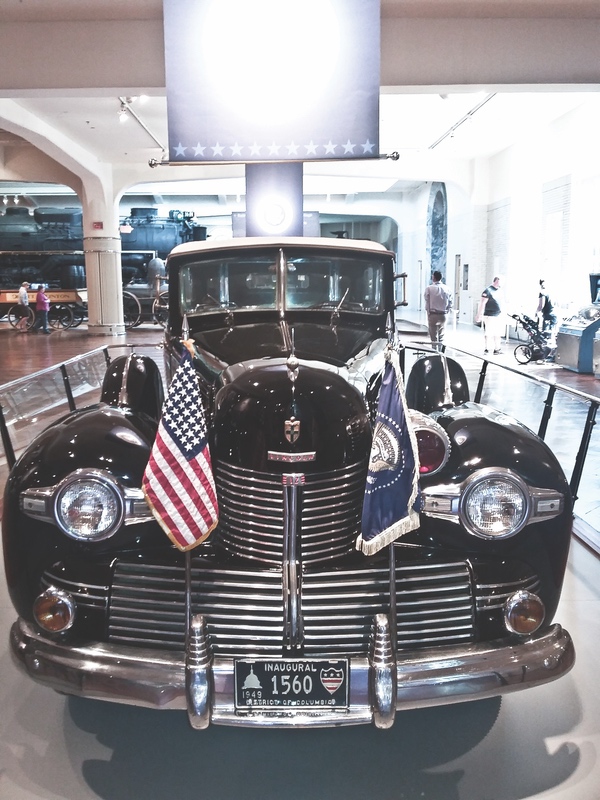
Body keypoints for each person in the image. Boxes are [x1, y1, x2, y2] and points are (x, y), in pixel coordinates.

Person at [424, 270, 453, 350]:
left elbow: (427, 300)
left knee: (433, 336)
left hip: (433, 314)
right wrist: (447, 311)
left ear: (433, 277)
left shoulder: (429, 288)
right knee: (442, 336)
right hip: (443, 314)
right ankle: (441, 352)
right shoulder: (447, 289)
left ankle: (434, 351)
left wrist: (428, 312)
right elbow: (450, 302)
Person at [475, 275, 504, 354]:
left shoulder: (500, 291)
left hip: (498, 315)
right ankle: (487, 348)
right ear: (496, 281)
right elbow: (482, 303)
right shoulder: (488, 291)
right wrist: (479, 314)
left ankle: (497, 349)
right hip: (489, 315)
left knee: (498, 333)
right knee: (489, 332)